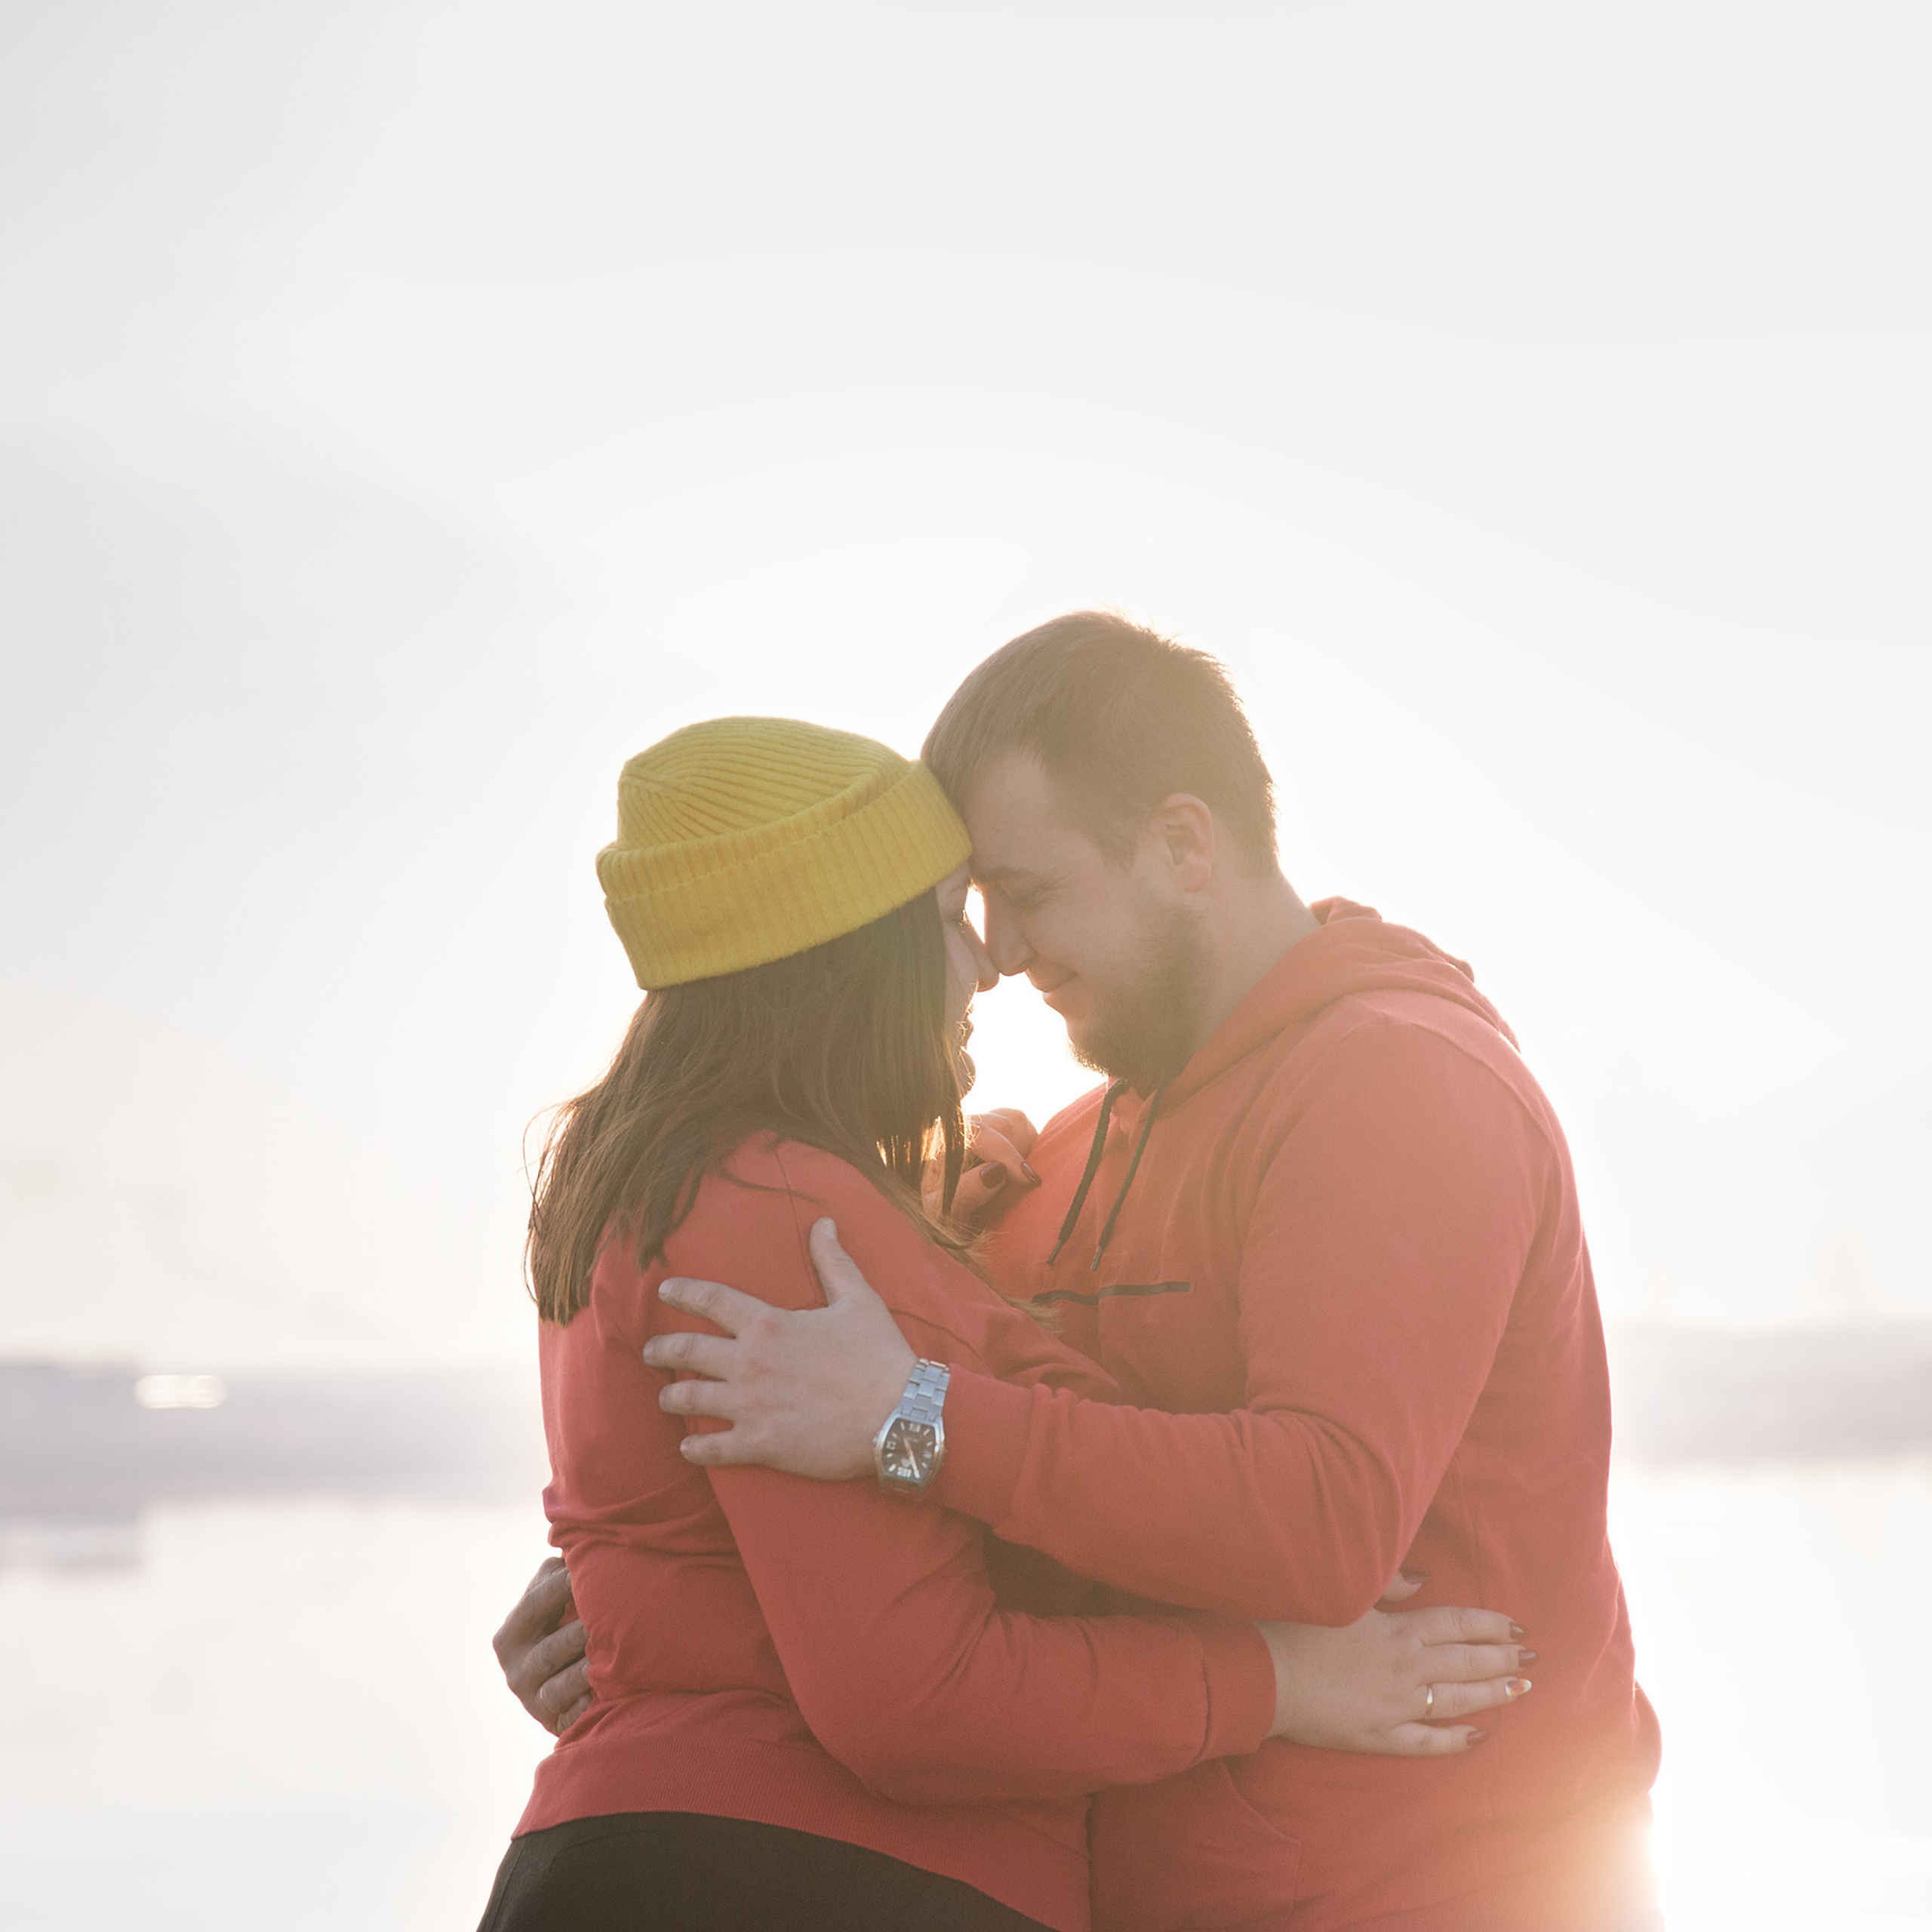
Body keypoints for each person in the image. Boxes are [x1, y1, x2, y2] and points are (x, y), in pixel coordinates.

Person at [506, 614, 1663, 1931]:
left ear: (1182, 844)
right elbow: (886, 1499)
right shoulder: (1042, 1166)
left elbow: (1322, 1521)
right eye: (971, 907)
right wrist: (627, 1585)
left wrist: (911, 1418)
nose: (998, 951)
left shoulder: (1397, 1084)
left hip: (1441, 1883)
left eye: (1029, 891)